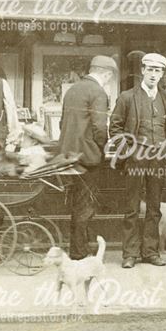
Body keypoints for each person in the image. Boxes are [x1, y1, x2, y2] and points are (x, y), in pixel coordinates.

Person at [110, 52, 166, 268]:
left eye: (158, 70)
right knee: (132, 208)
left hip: (158, 160)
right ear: (142, 71)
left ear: (162, 73)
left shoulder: (165, 99)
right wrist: (128, 151)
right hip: (136, 160)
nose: (154, 74)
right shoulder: (127, 97)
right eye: (150, 70)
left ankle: (150, 252)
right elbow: (115, 128)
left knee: (154, 208)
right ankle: (129, 254)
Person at [58, 55, 117, 259]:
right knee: (85, 206)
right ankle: (79, 251)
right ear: (106, 73)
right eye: (109, 77)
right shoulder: (98, 92)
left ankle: (79, 246)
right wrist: (104, 147)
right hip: (88, 157)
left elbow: (62, 122)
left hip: (68, 155)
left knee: (77, 204)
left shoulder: (73, 89)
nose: (109, 80)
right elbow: (100, 127)